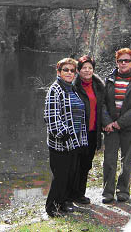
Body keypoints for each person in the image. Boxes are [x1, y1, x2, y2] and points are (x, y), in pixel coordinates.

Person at [101, 48, 131, 203]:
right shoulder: (109, 79)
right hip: (110, 128)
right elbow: (102, 104)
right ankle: (108, 191)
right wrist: (108, 122)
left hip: (130, 127)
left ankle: (123, 190)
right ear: (117, 62)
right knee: (109, 160)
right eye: (120, 60)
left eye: (127, 60)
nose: (123, 63)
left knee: (126, 160)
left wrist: (120, 123)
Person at [44, 57, 88, 217]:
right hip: (60, 143)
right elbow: (51, 117)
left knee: (69, 175)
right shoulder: (55, 89)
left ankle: (62, 203)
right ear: (59, 72)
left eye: (72, 70)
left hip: (74, 141)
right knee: (60, 176)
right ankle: (52, 208)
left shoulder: (72, 89)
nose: (69, 73)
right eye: (65, 70)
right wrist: (64, 135)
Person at [71, 55, 105, 205]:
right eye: (84, 67)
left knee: (86, 164)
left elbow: (103, 107)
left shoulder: (98, 86)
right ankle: (69, 194)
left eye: (90, 67)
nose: (87, 70)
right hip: (78, 132)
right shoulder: (73, 86)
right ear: (78, 70)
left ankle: (80, 194)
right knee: (74, 164)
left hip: (93, 131)